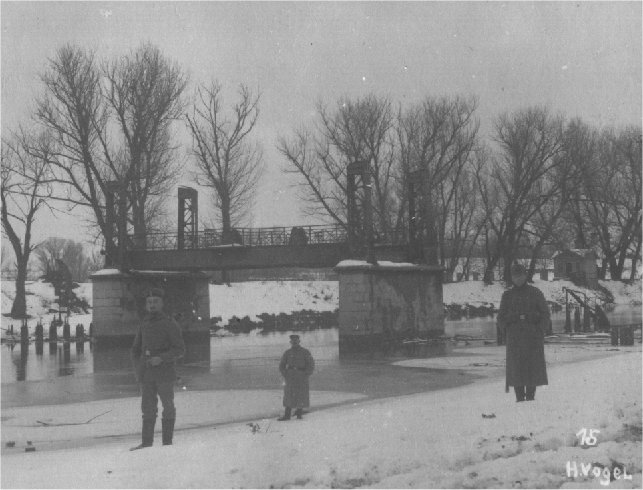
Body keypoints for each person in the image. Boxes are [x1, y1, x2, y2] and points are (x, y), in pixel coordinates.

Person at [130, 287, 185, 450]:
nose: (152, 305)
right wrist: (138, 369)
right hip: (147, 374)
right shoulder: (144, 323)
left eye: (155, 302)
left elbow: (180, 349)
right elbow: (135, 350)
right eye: (149, 302)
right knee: (147, 408)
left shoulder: (170, 323)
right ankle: (146, 443)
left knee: (168, 406)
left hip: (165, 373)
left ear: (162, 304)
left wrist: (162, 358)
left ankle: (167, 443)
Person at [496, 264, 549, 402]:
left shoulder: (535, 293)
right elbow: (500, 318)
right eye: (515, 276)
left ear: (525, 276)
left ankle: (531, 398)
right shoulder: (507, 295)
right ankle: (519, 399)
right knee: (516, 370)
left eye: (520, 276)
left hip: (533, 337)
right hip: (515, 339)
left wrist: (539, 330)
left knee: (532, 368)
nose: (518, 279)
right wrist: (506, 331)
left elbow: (545, 314)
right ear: (512, 278)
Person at [278, 334, 315, 420]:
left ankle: (299, 414)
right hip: (290, 377)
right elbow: (281, 365)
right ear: (290, 342)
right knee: (289, 395)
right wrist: (285, 374)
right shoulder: (287, 352)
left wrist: (306, 374)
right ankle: (287, 415)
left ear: (299, 341)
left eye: (296, 341)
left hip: (301, 376)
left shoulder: (305, 352)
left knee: (301, 394)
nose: (294, 342)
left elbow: (311, 365)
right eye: (293, 341)